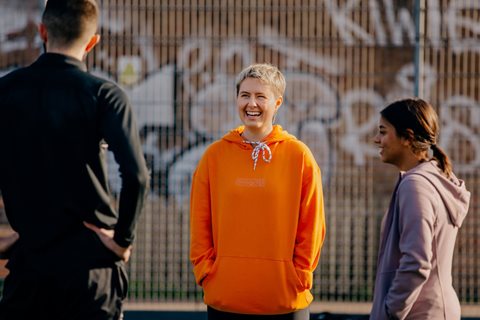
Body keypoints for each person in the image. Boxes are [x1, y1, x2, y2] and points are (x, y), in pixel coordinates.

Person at [0, 1, 149, 319]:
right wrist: (122, 240)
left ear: (42, 32)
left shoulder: (6, 91)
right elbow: (137, 175)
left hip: (29, 263)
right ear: (93, 41)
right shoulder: (105, 95)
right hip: (91, 269)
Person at [189, 63, 326, 319]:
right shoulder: (214, 156)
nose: (252, 104)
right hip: (226, 299)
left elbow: (312, 226)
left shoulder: (299, 156)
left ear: (277, 103)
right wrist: (206, 272)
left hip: (285, 300)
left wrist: (299, 275)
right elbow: (200, 222)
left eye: (261, 96)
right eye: (245, 95)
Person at [370, 98, 470, 319]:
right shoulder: (433, 177)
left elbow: (417, 261)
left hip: (419, 313)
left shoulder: (415, 185)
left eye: (383, 132)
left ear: (408, 137)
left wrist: (391, 310)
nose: (377, 139)